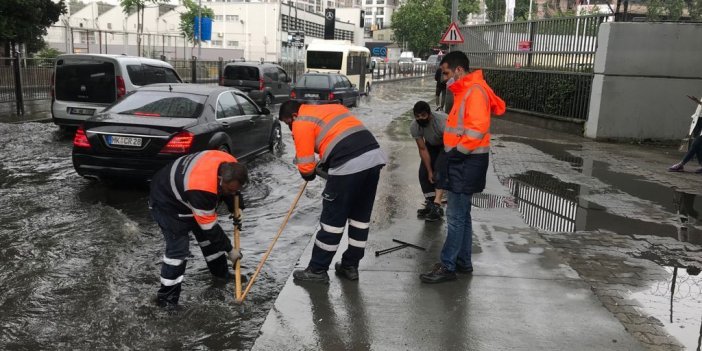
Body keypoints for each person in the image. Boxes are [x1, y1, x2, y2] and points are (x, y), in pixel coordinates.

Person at [420, 51, 506, 284]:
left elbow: (477, 130)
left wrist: (456, 155)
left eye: (446, 72)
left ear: (459, 70)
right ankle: (463, 262)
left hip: (466, 161)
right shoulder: (468, 90)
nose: (444, 77)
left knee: (456, 217)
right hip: (465, 160)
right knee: (463, 215)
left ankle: (448, 265)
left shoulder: (474, 91)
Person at [279, 100, 386, 283]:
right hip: (373, 158)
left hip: (348, 163)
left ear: (294, 116)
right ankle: (350, 266)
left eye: (288, 123)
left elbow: (306, 168)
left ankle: (317, 270)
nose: (290, 129)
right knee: (360, 219)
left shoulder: (301, 121)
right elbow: (337, 136)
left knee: (332, 221)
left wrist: (309, 173)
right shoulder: (330, 108)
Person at [149, 150, 248, 307]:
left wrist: (237, 208)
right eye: (229, 190)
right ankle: (166, 300)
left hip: (187, 191)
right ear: (219, 180)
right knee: (178, 252)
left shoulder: (231, 163)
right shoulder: (202, 189)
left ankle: (221, 275)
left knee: (209, 241)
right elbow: (210, 228)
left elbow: (233, 190)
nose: (232, 193)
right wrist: (230, 250)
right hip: (167, 203)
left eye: (236, 189)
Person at [410, 100, 447, 222]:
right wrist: (429, 170)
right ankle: (431, 204)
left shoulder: (441, 122)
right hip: (430, 145)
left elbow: (450, 146)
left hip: (446, 144)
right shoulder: (415, 126)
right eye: (418, 116)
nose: (420, 118)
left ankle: (437, 205)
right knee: (424, 174)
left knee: (439, 171)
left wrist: (436, 170)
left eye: (423, 115)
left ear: (429, 114)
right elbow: (422, 149)